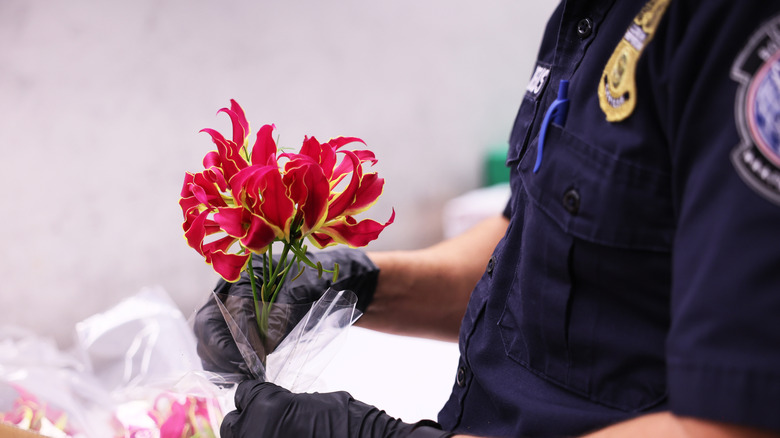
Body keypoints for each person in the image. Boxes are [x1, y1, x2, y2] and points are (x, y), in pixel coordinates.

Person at [194, 0, 780, 436]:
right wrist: (351, 284)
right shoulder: (590, 17)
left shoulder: (733, 29)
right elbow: (530, 241)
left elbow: (730, 425)